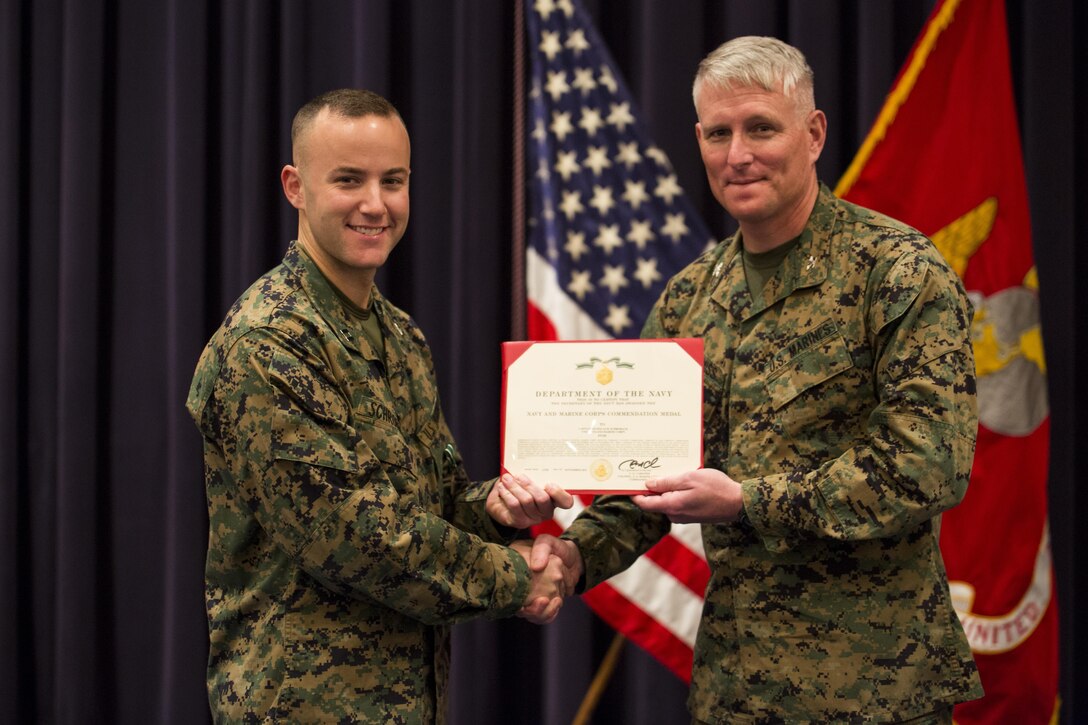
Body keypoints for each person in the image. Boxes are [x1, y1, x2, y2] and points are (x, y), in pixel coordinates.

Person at [528, 36, 984, 723]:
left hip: (875, 691)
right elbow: (644, 476)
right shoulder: (688, 299)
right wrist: (571, 557)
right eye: (719, 133)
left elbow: (929, 465)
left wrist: (750, 500)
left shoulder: (896, 273)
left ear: (813, 133)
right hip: (736, 691)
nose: (737, 154)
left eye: (760, 128)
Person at [186, 88, 573, 723]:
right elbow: (355, 537)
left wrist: (498, 511)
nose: (376, 204)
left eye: (393, 181)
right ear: (296, 186)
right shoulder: (267, 343)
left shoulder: (400, 336)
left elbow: (433, 507)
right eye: (348, 180)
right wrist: (513, 578)